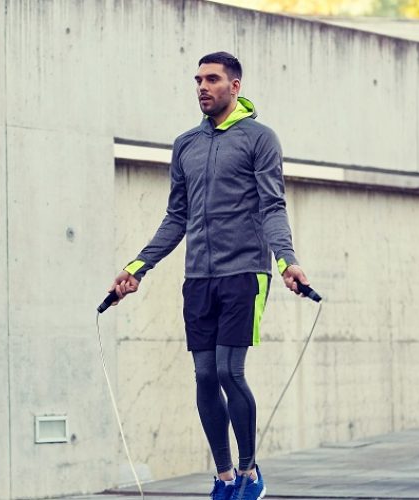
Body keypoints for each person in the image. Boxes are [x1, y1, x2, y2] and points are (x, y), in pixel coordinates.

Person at [107, 51, 309, 500]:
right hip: (198, 276)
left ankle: (250, 472)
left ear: (234, 86)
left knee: (227, 370)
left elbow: (272, 206)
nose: (202, 86)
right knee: (203, 376)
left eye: (212, 79)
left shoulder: (260, 139)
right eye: (198, 79)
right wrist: (136, 268)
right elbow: (175, 217)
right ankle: (223, 477)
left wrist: (286, 260)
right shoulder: (186, 145)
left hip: (245, 273)